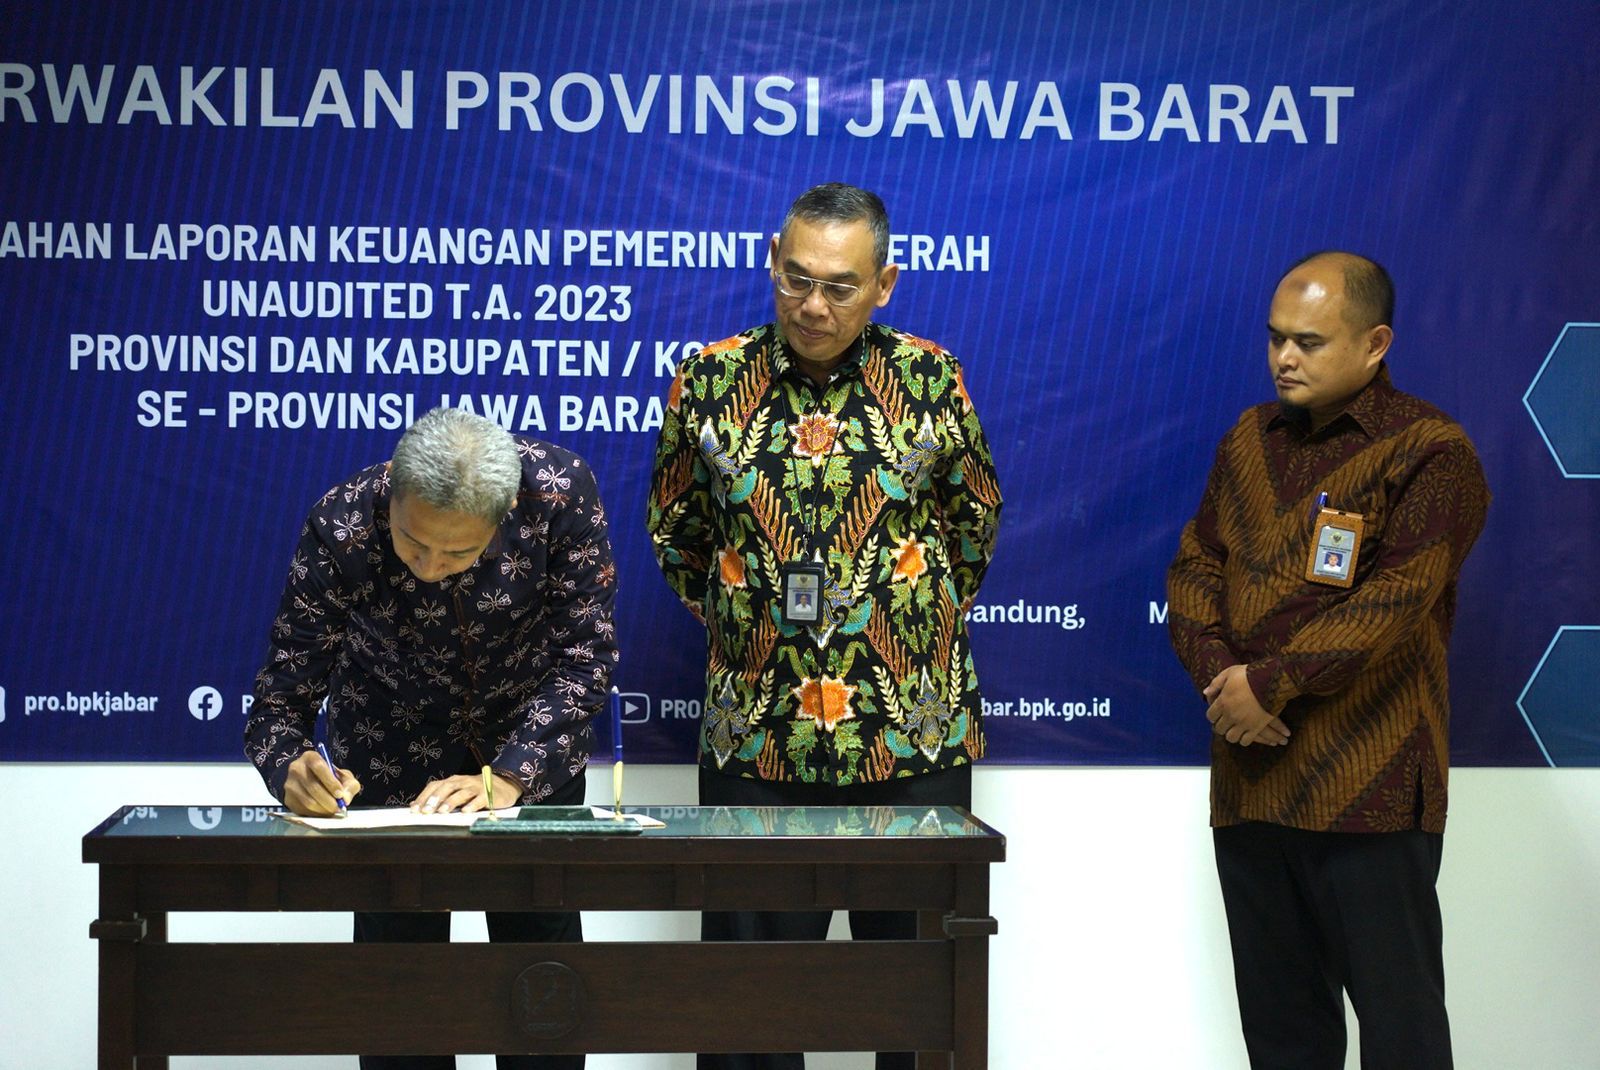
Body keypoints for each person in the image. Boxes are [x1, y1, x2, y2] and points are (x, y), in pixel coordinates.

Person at [646, 182, 1002, 1070]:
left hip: (910, 737)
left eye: (840, 286)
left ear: (884, 284)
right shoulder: (710, 379)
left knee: (917, 1003)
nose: (813, 305)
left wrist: (897, 618)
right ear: (772, 259)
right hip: (757, 740)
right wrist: (756, 626)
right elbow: (676, 532)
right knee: (749, 1010)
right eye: (796, 278)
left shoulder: (930, 378)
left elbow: (973, 524)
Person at [1166, 252, 1489, 1070]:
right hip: (1252, 784)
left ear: (1375, 344)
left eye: (1308, 342)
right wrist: (1224, 682)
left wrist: (1268, 684)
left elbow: (1394, 602)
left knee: (1402, 1032)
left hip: (1368, 789)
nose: (1284, 358)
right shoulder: (1248, 438)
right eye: (1276, 338)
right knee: (1282, 1038)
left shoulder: (1431, 452)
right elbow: (1196, 568)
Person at [245, 406, 617, 1070]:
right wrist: (290, 766)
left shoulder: (560, 493)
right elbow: (280, 698)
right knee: (398, 999)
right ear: (394, 490)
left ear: (505, 514)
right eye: (412, 543)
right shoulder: (341, 521)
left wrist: (510, 774)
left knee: (544, 989)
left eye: (459, 553)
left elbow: (585, 661)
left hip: (531, 752)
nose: (429, 567)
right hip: (387, 758)